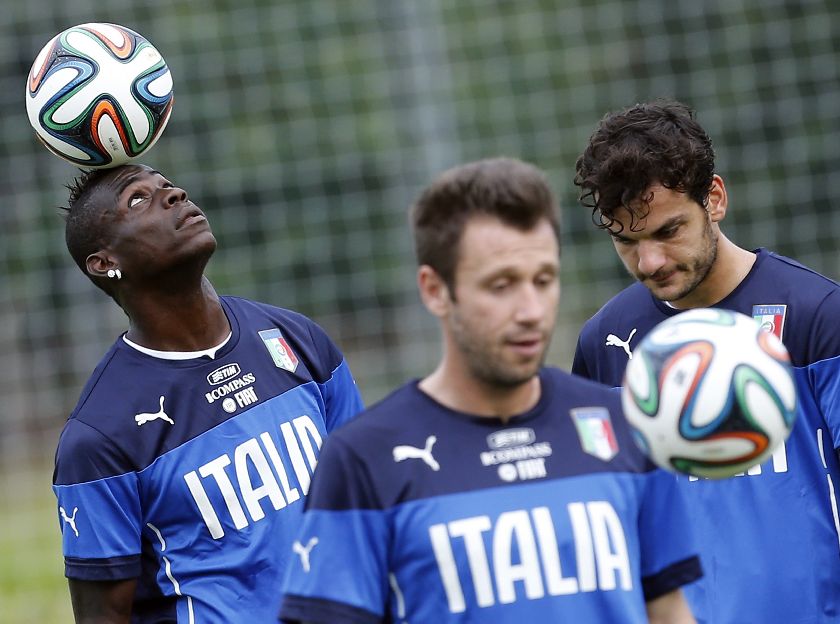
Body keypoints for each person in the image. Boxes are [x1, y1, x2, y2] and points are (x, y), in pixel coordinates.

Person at [278, 157, 701, 624]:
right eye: (501, 285)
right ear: (435, 290)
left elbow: (669, 611)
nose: (530, 310)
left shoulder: (624, 424)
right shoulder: (363, 459)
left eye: (543, 280)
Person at [52, 164, 364, 623]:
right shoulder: (98, 437)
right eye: (138, 199)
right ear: (105, 263)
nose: (175, 194)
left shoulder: (295, 338)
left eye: (167, 185)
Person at [572, 99, 840, 623]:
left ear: (714, 199)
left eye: (668, 231)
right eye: (625, 240)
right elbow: (597, 518)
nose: (649, 262)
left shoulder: (818, 319)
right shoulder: (604, 343)